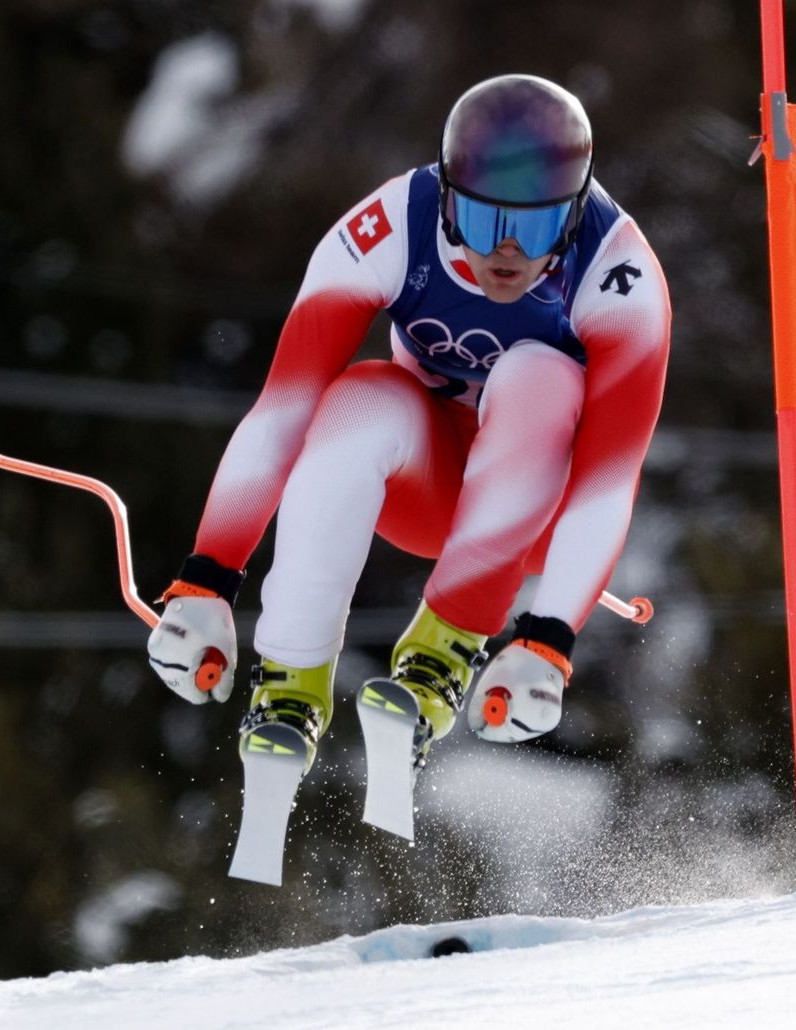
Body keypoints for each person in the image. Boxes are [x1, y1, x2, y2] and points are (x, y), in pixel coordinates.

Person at [145, 74, 670, 777]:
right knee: (360, 395)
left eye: (536, 226)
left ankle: (442, 657)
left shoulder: (619, 275)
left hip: (534, 520)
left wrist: (547, 637)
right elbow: (283, 409)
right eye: (486, 222)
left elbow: (608, 485)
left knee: (537, 376)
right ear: (449, 197)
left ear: (574, 214)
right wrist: (207, 578)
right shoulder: (392, 226)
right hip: (420, 484)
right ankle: (290, 684)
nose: (507, 253)